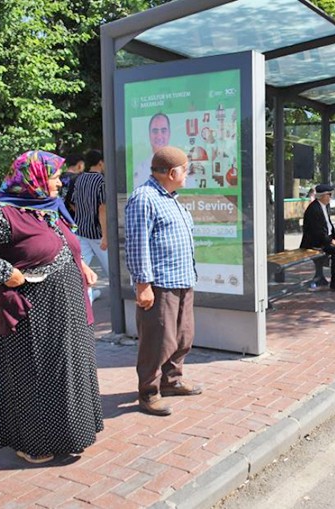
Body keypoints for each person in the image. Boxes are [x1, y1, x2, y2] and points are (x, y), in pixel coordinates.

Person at [0, 150, 103, 464]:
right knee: (35, 373)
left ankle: (67, 435)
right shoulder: (4, 211)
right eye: (53, 176)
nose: (59, 182)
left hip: (68, 307)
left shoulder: (47, 209)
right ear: (32, 179)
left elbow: (63, 244)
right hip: (33, 310)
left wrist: (82, 267)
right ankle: (33, 442)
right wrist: (5, 273)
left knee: (67, 369)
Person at [125, 146, 202, 417]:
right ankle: (149, 392)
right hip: (160, 284)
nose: (188, 173)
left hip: (181, 280)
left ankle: (171, 380)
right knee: (158, 340)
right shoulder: (144, 198)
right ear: (172, 172)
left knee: (183, 336)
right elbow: (137, 243)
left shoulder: (170, 198)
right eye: (186, 169)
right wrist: (143, 284)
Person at [300, 184, 335, 292]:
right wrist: (331, 241)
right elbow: (317, 232)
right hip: (315, 242)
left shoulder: (323, 206)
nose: (331, 197)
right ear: (323, 196)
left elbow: (328, 225)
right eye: (329, 194)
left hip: (324, 238)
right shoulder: (314, 209)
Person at [72, 149, 108, 303]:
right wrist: (105, 236)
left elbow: (74, 204)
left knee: (82, 270)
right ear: (100, 162)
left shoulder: (80, 179)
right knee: (114, 271)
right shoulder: (102, 181)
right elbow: (102, 209)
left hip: (81, 230)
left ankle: (86, 302)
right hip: (98, 233)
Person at [133, 113, 171, 189]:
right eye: (155, 131)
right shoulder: (140, 171)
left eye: (163, 131)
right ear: (149, 135)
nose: (159, 136)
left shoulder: (181, 169)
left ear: (169, 134)